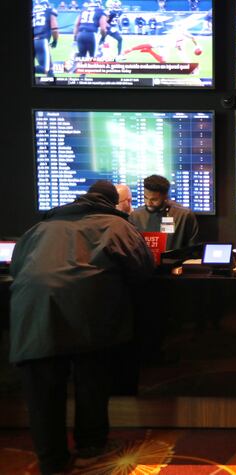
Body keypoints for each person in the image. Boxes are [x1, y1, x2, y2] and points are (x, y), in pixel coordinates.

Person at [9, 180, 154, 475]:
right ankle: (90, 448)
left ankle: (51, 462)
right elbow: (142, 268)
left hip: (34, 311)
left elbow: (15, 267)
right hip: (90, 313)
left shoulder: (40, 227)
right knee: (92, 383)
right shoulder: (117, 225)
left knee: (42, 393)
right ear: (113, 203)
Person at [129, 174, 198, 251]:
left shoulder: (184, 215)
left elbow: (193, 248)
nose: (148, 203)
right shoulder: (135, 216)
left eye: (154, 199)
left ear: (165, 196)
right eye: (145, 197)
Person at [32, 0, 58, 78]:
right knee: (47, 69)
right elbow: (54, 29)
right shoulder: (49, 10)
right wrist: (55, 41)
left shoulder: (32, 12)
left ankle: (52, 84)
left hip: (33, 40)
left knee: (50, 68)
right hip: (41, 41)